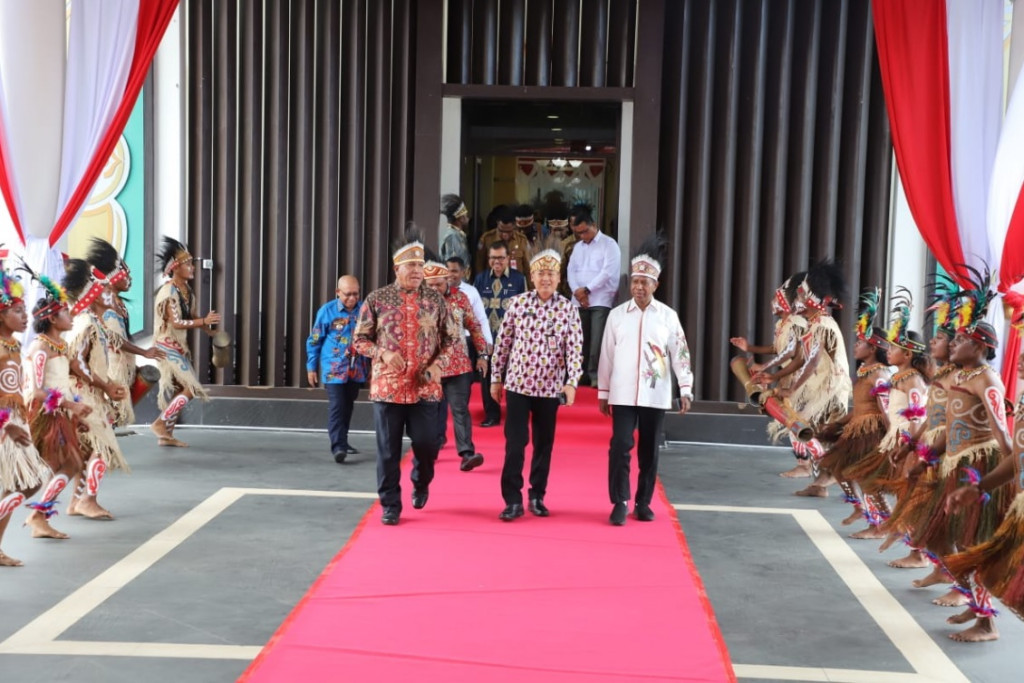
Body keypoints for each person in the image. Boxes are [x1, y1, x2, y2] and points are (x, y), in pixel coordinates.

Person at [353, 234, 453, 526]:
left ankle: (421, 481)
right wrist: (381, 353)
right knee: (388, 450)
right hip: (388, 388)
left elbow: (451, 339)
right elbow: (359, 339)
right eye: (410, 265)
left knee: (427, 443)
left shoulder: (435, 300)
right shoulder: (377, 299)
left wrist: (438, 365)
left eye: (420, 265)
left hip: (424, 385)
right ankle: (390, 504)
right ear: (396, 268)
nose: (416, 271)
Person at [597, 236, 693, 526]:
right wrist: (603, 392)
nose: (639, 287)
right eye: (635, 282)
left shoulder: (667, 317)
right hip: (623, 394)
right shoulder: (616, 316)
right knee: (620, 445)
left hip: (655, 393)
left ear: (655, 285)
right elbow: (606, 356)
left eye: (645, 283)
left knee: (649, 449)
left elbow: (680, 352)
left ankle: (643, 501)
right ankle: (620, 500)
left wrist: (685, 388)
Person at [490, 246, 583, 521]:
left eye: (551, 273)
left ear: (559, 277)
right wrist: (496, 378)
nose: (546, 278)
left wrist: (572, 383)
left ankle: (537, 494)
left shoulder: (567, 309)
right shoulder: (518, 304)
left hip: (550, 389)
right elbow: (503, 344)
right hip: (518, 385)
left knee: (544, 444)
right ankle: (512, 500)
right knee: (515, 443)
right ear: (531, 276)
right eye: (541, 273)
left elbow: (575, 350)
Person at [21, 267, 92, 540]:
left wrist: (74, 408)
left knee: (67, 464)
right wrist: (71, 407)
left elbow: (60, 382)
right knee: (68, 464)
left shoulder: (59, 346)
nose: (72, 315)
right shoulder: (40, 348)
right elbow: (37, 390)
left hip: (61, 411)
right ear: (52, 318)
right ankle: (37, 515)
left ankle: (39, 516)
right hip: (47, 413)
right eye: (66, 312)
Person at [63, 259, 130, 520]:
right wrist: (106, 385)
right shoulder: (87, 324)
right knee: (104, 446)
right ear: (92, 296)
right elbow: (76, 362)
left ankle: (75, 501)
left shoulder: (92, 322)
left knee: (87, 451)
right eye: (105, 290)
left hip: (86, 393)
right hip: (83, 394)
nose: (110, 294)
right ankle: (88, 500)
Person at [0, 266, 52, 565]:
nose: (25, 316)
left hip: (15, 420)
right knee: (24, 482)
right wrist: (7, 425)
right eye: (17, 311)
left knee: (26, 482)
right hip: (6, 423)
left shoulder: (13, 344)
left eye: (24, 310)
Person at [84, 238, 165, 429]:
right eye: (125, 274)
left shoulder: (116, 303)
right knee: (111, 416)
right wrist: (144, 352)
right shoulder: (106, 303)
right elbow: (115, 340)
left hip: (122, 365)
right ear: (112, 278)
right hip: (113, 366)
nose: (130, 278)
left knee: (116, 416)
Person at [152, 237, 221, 448]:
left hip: (178, 346)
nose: (192, 268)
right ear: (175, 268)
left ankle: (166, 435)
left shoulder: (187, 292)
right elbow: (178, 322)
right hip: (166, 345)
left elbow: (191, 315)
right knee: (191, 388)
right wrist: (203, 321)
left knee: (178, 388)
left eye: (191, 264)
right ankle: (161, 423)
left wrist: (207, 330)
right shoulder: (169, 292)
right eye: (188, 264)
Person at [422, 253, 488, 472]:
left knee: (460, 409)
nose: (436, 289)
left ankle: (467, 453)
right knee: (429, 411)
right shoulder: (417, 301)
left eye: (439, 284)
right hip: (429, 366)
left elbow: (475, 327)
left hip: (458, 364)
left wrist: (482, 355)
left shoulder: (460, 298)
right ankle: (428, 450)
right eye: (431, 285)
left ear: (446, 281)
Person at [306, 275, 370, 464]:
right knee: (337, 405)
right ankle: (338, 446)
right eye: (347, 294)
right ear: (338, 292)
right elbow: (314, 340)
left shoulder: (365, 311)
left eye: (355, 294)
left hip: (357, 368)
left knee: (348, 405)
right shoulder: (327, 311)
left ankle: (343, 439)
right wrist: (311, 367)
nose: (352, 298)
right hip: (334, 368)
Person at [566, 203, 620, 386]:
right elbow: (570, 271)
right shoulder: (578, 247)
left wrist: (587, 290)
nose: (582, 236)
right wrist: (577, 292)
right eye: (578, 233)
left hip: (600, 300)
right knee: (580, 340)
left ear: (593, 225)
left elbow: (608, 273)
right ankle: (579, 376)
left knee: (597, 341)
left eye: (585, 231)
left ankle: (595, 376)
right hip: (579, 300)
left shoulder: (609, 244)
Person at [473, 241, 527, 427]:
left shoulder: (519, 279)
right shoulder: (480, 279)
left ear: (508, 258)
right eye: (493, 257)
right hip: (487, 337)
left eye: (501, 258)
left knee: (512, 376)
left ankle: (514, 414)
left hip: (510, 339)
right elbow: (473, 309)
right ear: (488, 259)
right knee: (486, 376)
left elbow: (524, 310)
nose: (497, 261)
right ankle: (492, 414)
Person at [475, 205, 531, 277]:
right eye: (501, 231)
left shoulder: (522, 240)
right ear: (497, 223)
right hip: (492, 283)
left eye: (508, 232)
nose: (505, 235)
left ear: (514, 226)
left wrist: (531, 287)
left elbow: (528, 268)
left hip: (516, 283)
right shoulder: (487, 239)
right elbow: (479, 266)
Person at [439, 194, 472, 278]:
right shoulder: (452, 237)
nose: (468, 218)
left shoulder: (458, 235)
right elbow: (453, 266)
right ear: (461, 218)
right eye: (466, 215)